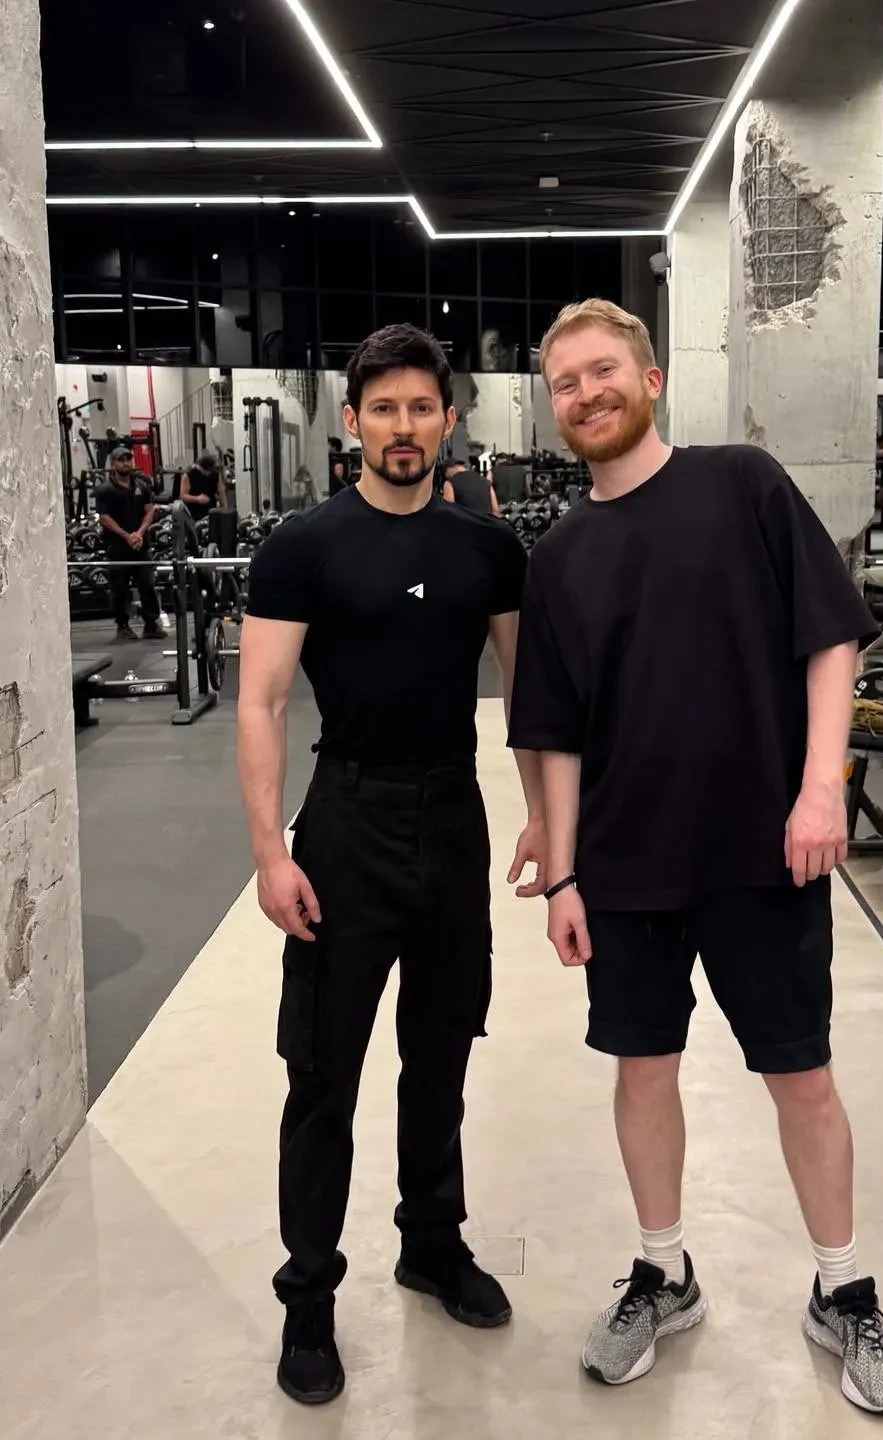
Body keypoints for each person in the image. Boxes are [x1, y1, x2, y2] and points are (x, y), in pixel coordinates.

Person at [507, 299, 883, 1415]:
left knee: (802, 1078)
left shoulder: (742, 484)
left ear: (649, 379)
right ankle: (664, 1273)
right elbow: (554, 734)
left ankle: (843, 1289)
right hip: (625, 866)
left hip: (759, 854)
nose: (585, 394)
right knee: (642, 1072)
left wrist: (820, 786)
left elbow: (829, 640)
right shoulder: (560, 556)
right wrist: (565, 875)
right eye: (565, 384)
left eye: (603, 371)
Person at [237, 323, 546, 1408]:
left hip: (454, 817)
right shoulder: (303, 547)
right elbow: (263, 700)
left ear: (448, 419)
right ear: (352, 421)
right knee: (323, 1075)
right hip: (348, 821)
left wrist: (546, 816)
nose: (403, 427)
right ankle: (309, 1299)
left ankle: (432, 1244)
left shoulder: (488, 550)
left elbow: (528, 693)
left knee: (440, 1057)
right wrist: (269, 853)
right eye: (384, 409)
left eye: (421, 407)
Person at [94, 446, 165, 641]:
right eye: (121, 460)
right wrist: (127, 537)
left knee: (147, 584)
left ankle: (151, 625)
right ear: (113, 464)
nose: (126, 463)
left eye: (128, 459)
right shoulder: (105, 490)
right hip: (118, 546)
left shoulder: (142, 486)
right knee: (119, 588)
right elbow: (105, 519)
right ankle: (123, 626)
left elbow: (150, 511)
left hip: (140, 544)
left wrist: (139, 534)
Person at [179, 451, 226, 517]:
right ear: (200, 467)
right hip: (193, 513)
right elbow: (183, 496)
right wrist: (197, 498)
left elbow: (221, 493)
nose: (209, 473)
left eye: (210, 471)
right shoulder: (188, 476)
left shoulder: (215, 475)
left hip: (211, 512)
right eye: (207, 471)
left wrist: (225, 511)